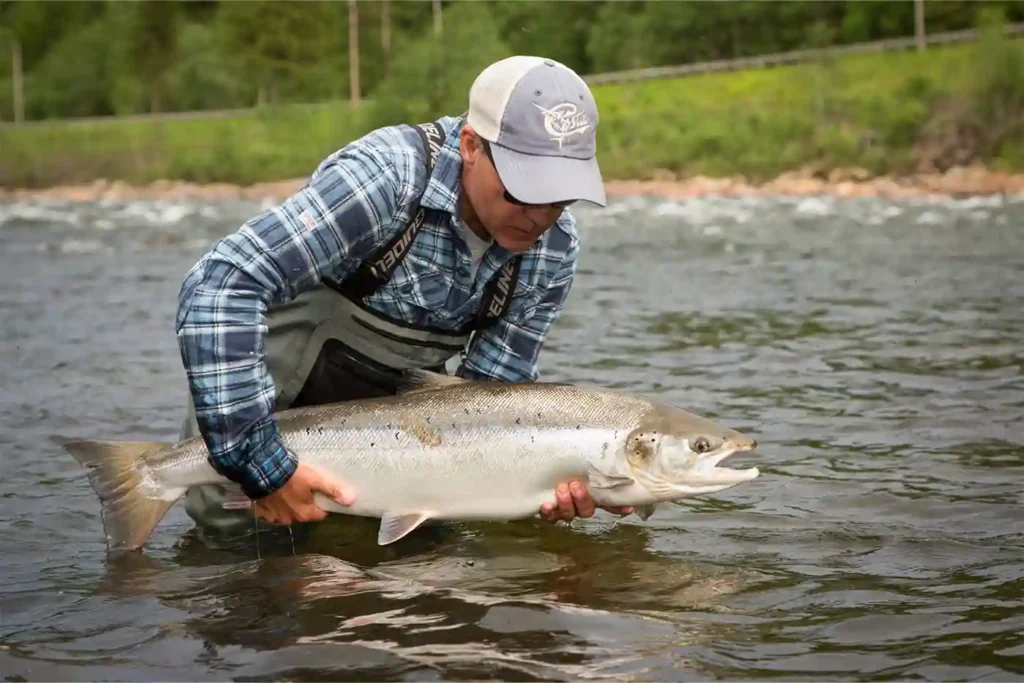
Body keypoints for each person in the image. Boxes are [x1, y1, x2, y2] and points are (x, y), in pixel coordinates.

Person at [174, 55, 633, 542]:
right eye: (522, 192)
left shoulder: (554, 251)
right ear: (471, 145)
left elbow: (487, 403)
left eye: (559, 196)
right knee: (233, 576)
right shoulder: (387, 180)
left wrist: (539, 482)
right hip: (251, 422)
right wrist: (262, 464)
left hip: (393, 464)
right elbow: (221, 286)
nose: (539, 217)